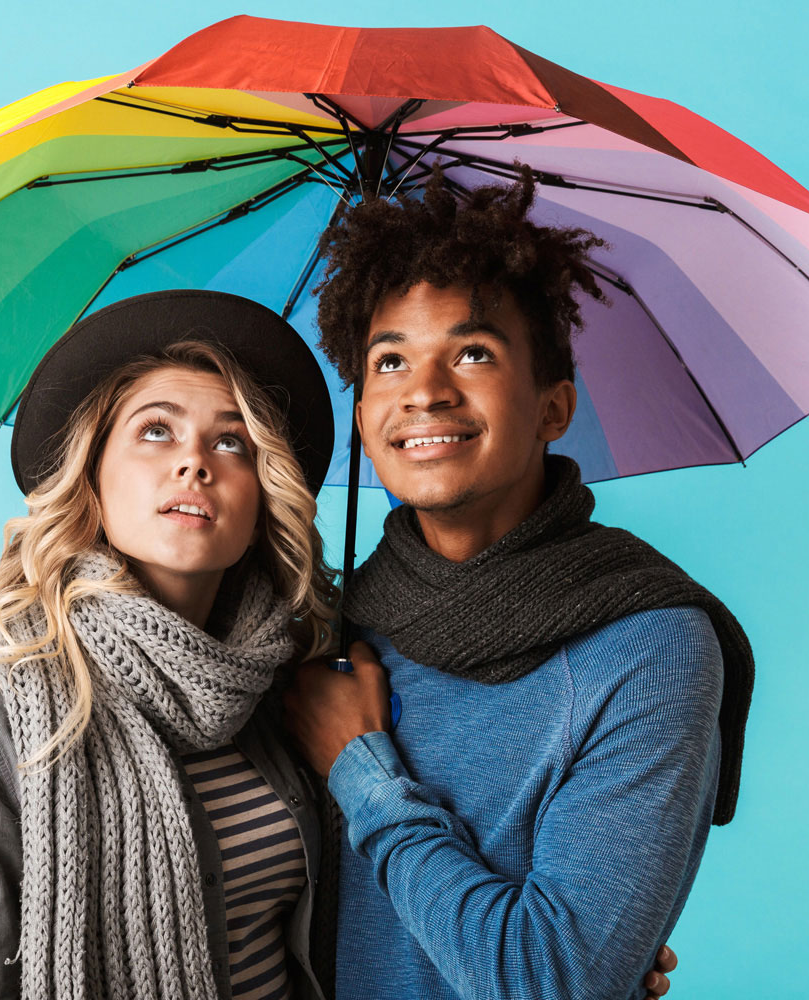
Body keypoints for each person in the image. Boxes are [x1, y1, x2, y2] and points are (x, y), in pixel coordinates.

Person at [283, 169, 753, 1000]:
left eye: (472, 352)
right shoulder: (320, 628)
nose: (424, 392)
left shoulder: (649, 645)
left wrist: (362, 770)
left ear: (552, 407)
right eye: (389, 361)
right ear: (362, 416)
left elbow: (546, 983)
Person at [0, 290, 343, 1000]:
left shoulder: (283, 687)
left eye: (231, 442)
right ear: (92, 477)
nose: (195, 462)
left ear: (261, 499)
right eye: (157, 432)